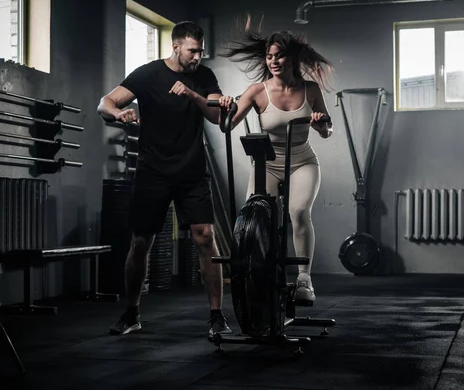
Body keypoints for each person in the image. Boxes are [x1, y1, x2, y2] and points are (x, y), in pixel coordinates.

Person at [97, 21, 231, 338]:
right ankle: (131, 313)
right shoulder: (148, 74)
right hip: (153, 170)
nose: (198, 56)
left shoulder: (204, 76)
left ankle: (216, 316)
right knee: (141, 241)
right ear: (175, 46)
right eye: (192, 50)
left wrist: (194, 95)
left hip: (192, 169)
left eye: (200, 50)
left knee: (205, 237)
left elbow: (216, 115)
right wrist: (119, 114)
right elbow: (106, 103)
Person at [217, 18, 334, 304]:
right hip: (266, 163)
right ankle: (261, 276)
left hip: (302, 160)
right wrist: (225, 110)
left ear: (292, 58)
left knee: (297, 212)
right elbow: (227, 126)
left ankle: (304, 281)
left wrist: (320, 124)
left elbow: (327, 132)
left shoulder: (310, 89)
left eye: (279, 55)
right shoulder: (257, 91)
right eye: (269, 56)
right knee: (255, 219)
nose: (273, 61)